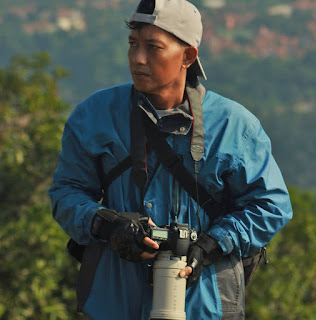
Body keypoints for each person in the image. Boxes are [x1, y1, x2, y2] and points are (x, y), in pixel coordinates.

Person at [49, 0, 293, 319]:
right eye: (133, 44)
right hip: (113, 304)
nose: (137, 58)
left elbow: (272, 206)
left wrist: (212, 244)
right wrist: (107, 224)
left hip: (206, 307)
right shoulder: (94, 117)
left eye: (153, 47)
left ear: (188, 56)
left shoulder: (234, 126)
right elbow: (66, 193)